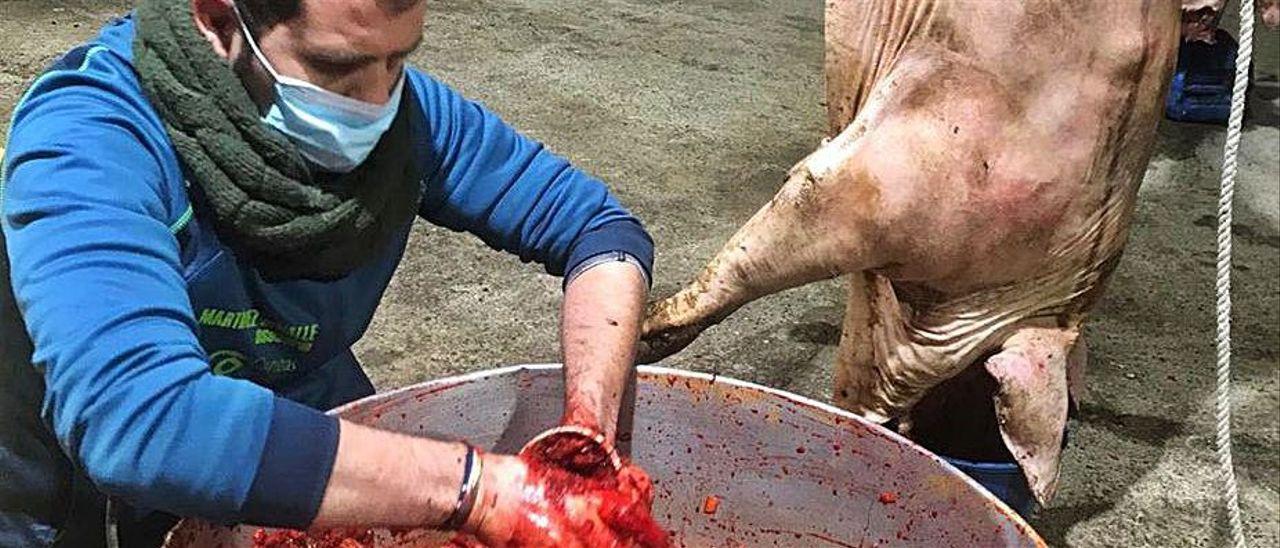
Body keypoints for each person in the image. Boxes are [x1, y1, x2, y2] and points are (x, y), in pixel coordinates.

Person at [0, 0, 655, 545]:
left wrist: (586, 427)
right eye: (336, 69)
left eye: (397, 60)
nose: (376, 105)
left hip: (298, 422)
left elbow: (601, 231)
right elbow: (142, 421)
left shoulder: (409, 119)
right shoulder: (89, 138)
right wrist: (478, 489)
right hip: (77, 481)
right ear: (219, 21)